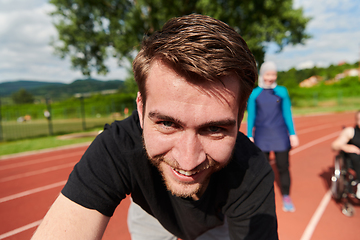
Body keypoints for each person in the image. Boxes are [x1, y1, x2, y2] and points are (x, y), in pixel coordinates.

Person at [32, 14, 278, 240]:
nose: (188, 160)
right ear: (140, 109)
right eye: (167, 123)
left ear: (240, 116)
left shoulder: (252, 171)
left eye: (214, 129)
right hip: (152, 216)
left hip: (216, 226)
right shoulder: (119, 146)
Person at [247, 61, 299, 212]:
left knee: (283, 167)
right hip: (262, 136)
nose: (270, 77)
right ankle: (261, 197)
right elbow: (251, 116)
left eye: (273, 74)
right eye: (268, 74)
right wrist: (250, 135)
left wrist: (293, 134)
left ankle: (286, 196)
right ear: (262, 75)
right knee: (262, 167)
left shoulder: (282, 92)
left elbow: (287, 113)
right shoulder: (255, 93)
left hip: (280, 135)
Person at [331, 110, 360, 199]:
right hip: (356, 159)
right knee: (355, 155)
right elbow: (334, 145)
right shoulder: (350, 132)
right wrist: (345, 147)